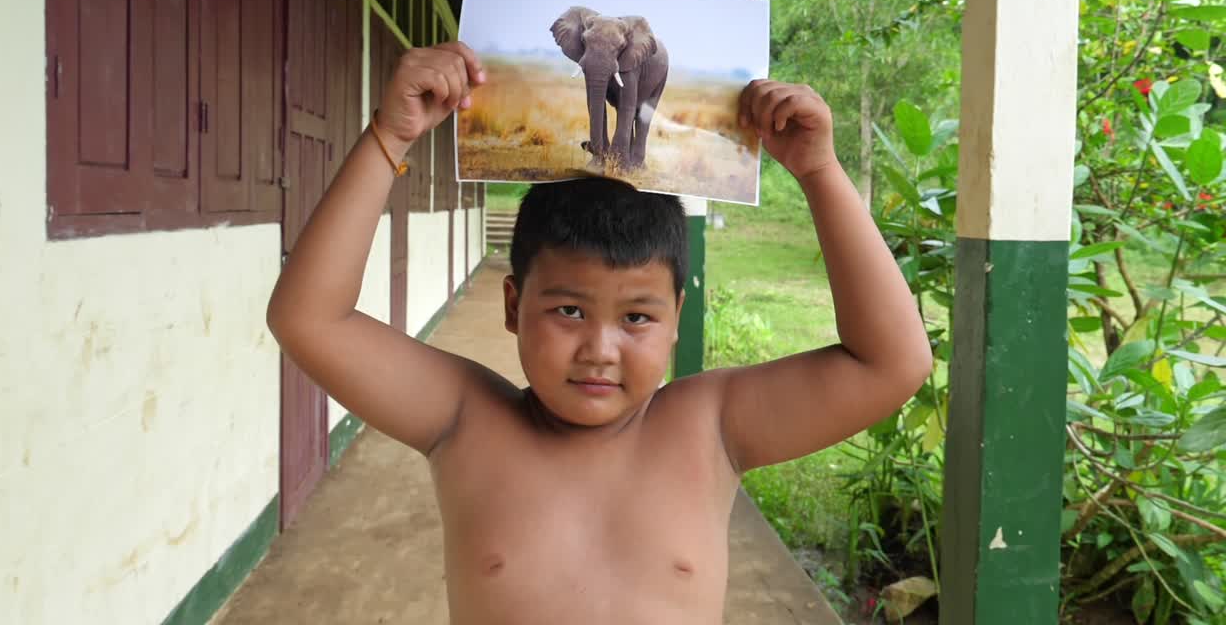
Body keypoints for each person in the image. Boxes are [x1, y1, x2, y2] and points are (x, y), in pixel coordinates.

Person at [266, 41, 932, 624]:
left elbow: (892, 363)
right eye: (568, 311)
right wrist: (390, 134)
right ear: (512, 304)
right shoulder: (465, 419)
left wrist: (819, 171)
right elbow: (308, 318)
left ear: (676, 316)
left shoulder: (713, 427)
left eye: (637, 317)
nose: (599, 350)